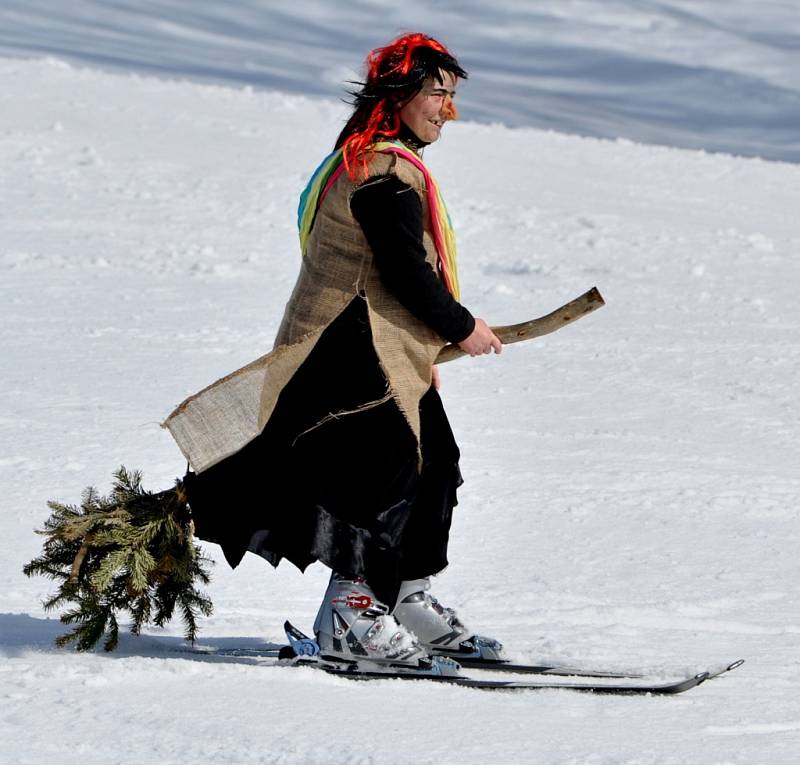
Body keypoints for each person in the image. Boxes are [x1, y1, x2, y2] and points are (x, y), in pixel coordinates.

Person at [165, 33, 503, 674]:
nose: (447, 112)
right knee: (387, 481)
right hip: (349, 352)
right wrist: (460, 327)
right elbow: (406, 273)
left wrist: (424, 343)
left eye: (452, 97)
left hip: (381, 349)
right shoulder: (380, 173)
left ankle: (404, 599)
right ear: (400, 95)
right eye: (438, 95)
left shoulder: (378, 162)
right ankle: (351, 611)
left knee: (436, 466)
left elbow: (391, 277)